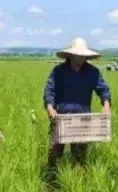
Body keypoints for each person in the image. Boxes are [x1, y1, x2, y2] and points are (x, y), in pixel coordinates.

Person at [43, 37, 112, 172]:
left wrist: (106, 104)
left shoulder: (92, 72)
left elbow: (103, 89)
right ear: (71, 55)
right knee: (55, 152)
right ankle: (51, 177)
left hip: (82, 118)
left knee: (79, 155)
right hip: (61, 117)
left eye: (83, 56)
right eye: (78, 55)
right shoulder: (58, 71)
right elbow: (49, 90)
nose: (80, 58)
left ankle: (78, 183)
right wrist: (50, 107)